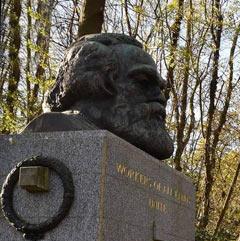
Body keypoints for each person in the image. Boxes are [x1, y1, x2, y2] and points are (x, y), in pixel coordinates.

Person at [24, 34, 174, 160]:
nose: (161, 97)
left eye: (160, 87)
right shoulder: (52, 127)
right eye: (144, 82)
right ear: (94, 85)